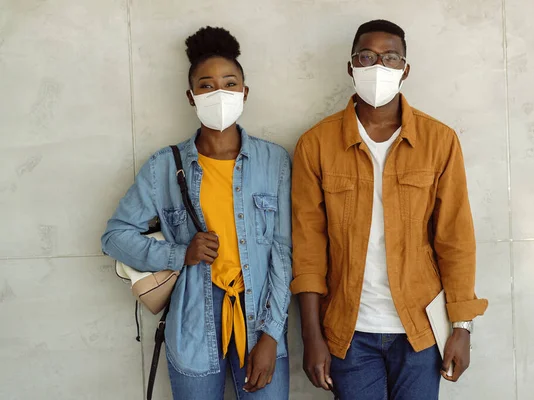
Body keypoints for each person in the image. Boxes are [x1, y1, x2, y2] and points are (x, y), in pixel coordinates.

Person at [291, 19, 488, 400]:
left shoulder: (439, 141)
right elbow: (308, 248)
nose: (377, 66)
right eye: (366, 57)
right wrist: (311, 337)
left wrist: (462, 327)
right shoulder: (316, 144)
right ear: (351, 67)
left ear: (405, 69)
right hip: (349, 332)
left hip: (421, 329)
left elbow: (455, 239)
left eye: (390, 57)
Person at [102, 26, 291, 400]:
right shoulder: (163, 167)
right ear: (191, 97)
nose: (218, 93)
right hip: (192, 324)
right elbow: (115, 236)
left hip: (259, 319)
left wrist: (271, 334)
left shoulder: (274, 161)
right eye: (206, 85)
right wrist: (179, 254)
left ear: (244, 92)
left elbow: (283, 253)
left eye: (229, 83)